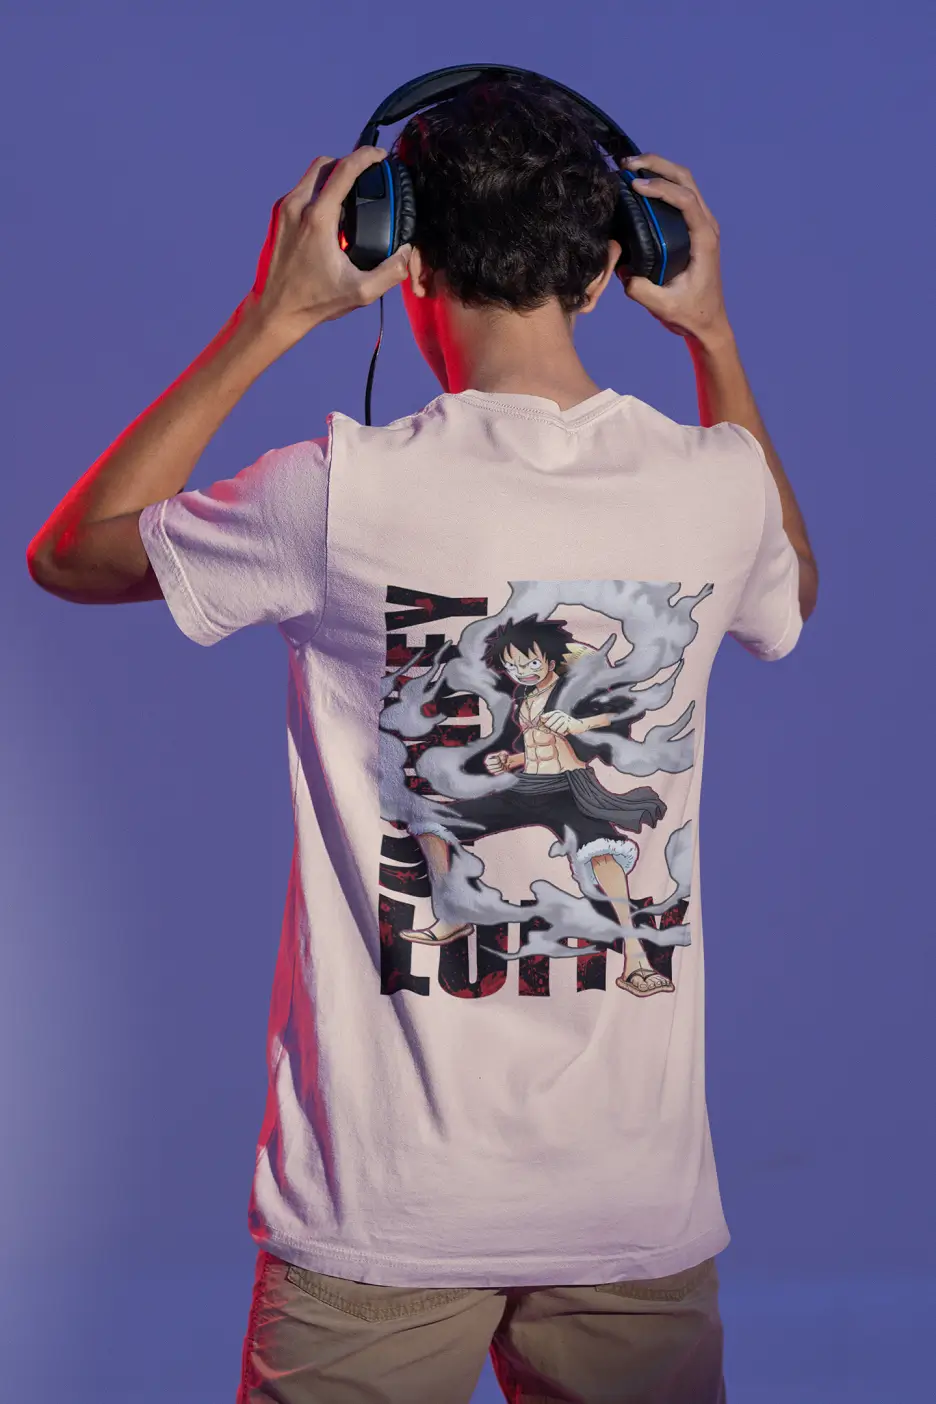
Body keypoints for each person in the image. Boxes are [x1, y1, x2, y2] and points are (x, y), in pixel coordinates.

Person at [28, 75, 818, 1404]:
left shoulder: (340, 492)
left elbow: (72, 553)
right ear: (615, 262)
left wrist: (273, 316)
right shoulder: (719, 485)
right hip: (635, 1210)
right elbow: (788, 599)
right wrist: (716, 337)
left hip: (381, 1213)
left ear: (402, 256)